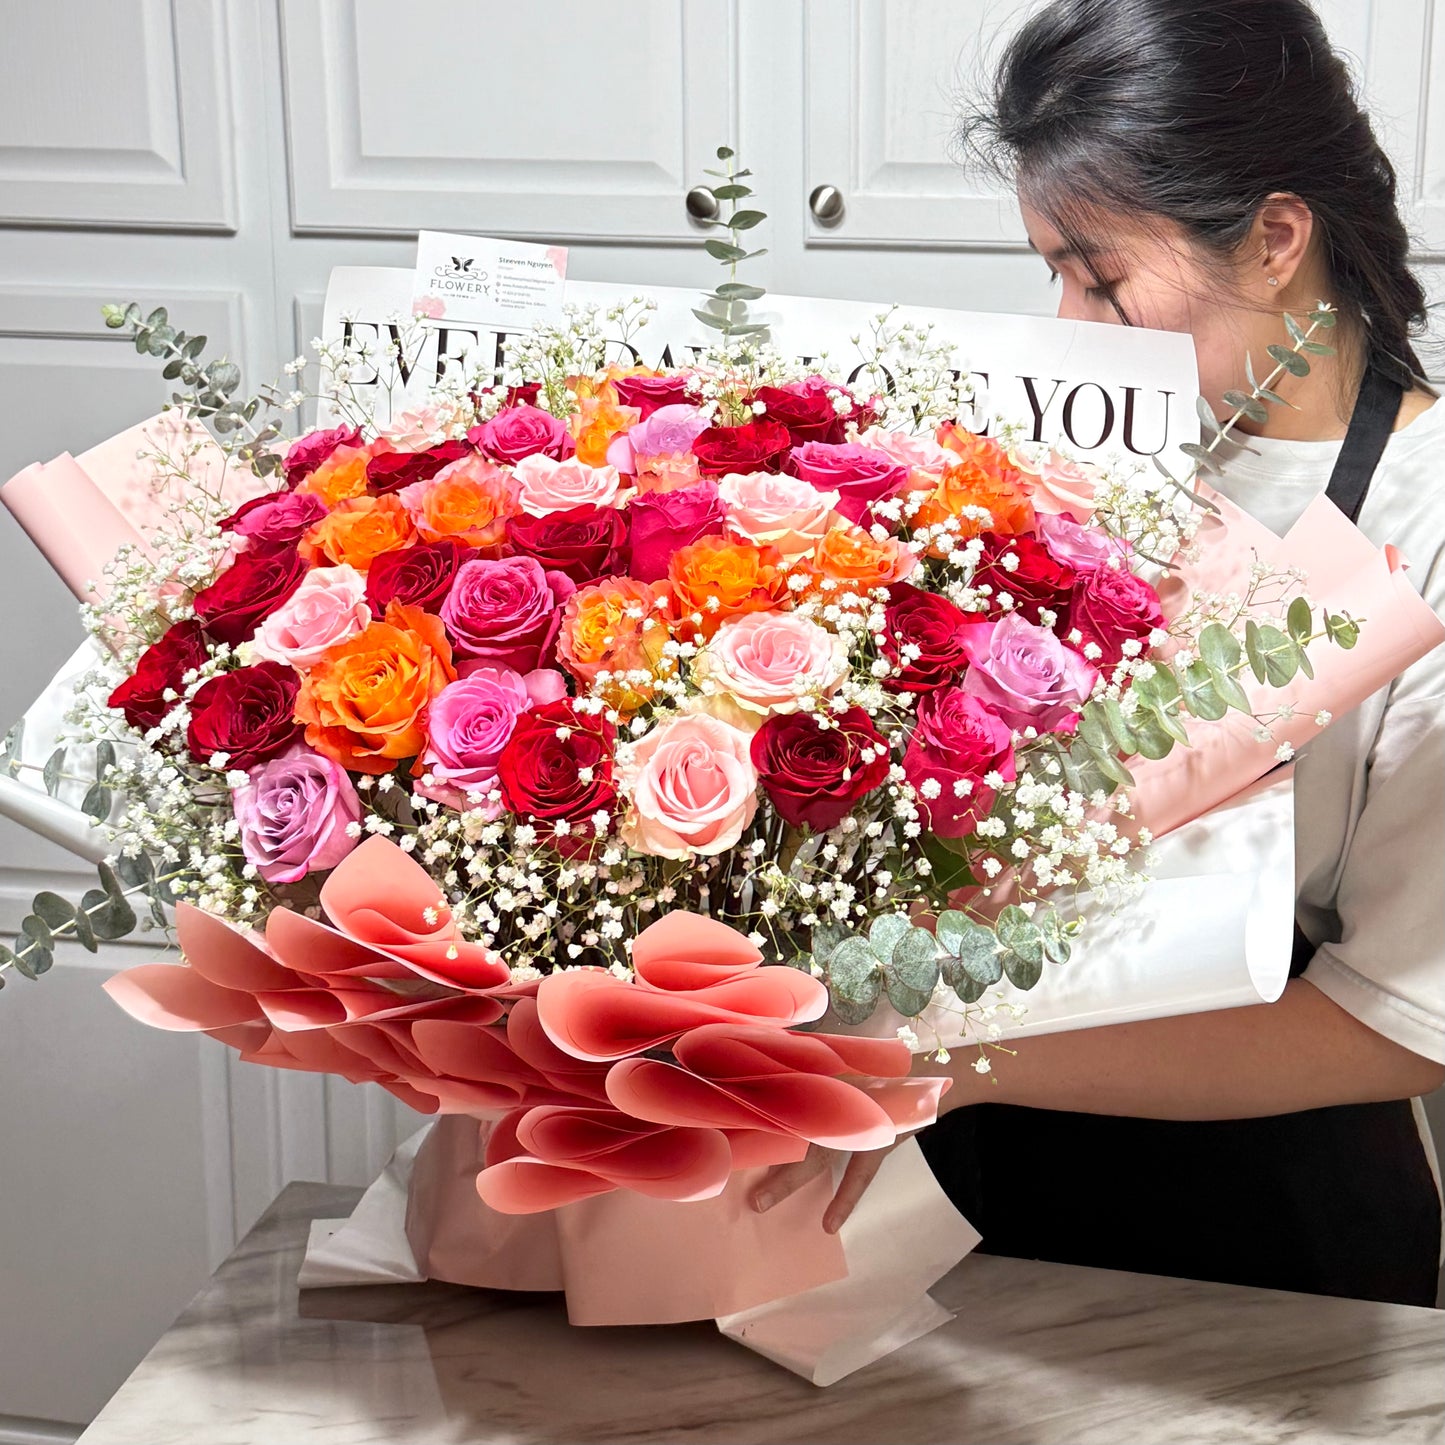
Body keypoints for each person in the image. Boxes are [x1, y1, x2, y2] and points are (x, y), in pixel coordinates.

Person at [753, 0, 1445, 1306]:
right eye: (1050, 270)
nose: (1065, 320)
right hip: (969, 1182)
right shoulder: (1079, 457)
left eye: (1102, 275)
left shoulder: (1431, 509)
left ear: (1277, 235)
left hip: (1270, 1233)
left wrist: (934, 1049)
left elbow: (1398, 1023)